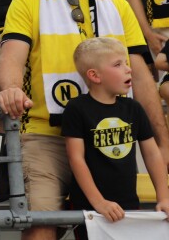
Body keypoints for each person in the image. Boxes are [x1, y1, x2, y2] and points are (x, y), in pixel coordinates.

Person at [0, 0, 169, 240]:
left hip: (109, 135)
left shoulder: (117, 5)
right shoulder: (27, 0)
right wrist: (11, 89)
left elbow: (142, 78)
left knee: (116, 224)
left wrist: (163, 140)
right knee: (41, 221)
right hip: (48, 134)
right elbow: (11, 58)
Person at [61, 38, 169, 230]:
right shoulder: (77, 108)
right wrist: (100, 202)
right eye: (118, 64)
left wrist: (164, 197)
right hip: (90, 211)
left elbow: (152, 154)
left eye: (126, 63)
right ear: (95, 75)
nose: (128, 69)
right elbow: (76, 158)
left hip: (128, 206)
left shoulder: (133, 108)